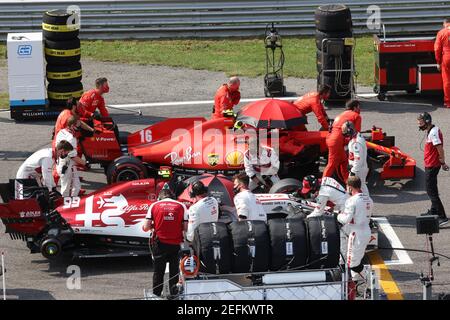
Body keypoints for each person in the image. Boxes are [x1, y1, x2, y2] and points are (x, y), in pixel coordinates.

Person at [143, 189, 188, 297]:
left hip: (159, 244)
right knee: (174, 272)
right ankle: (173, 294)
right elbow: (185, 228)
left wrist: (155, 226)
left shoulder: (154, 205)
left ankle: (156, 295)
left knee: (158, 272)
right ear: (172, 197)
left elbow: (145, 227)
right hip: (176, 244)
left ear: (160, 197)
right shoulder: (181, 206)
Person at [337, 176, 373, 281]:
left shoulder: (352, 200)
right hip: (366, 231)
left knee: (352, 263)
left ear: (350, 187)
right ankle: (356, 284)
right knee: (357, 260)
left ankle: (372, 282)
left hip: (356, 233)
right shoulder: (368, 199)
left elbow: (346, 219)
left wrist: (337, 216)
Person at [418, 112, 449, 226]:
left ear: (426, 122)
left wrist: (443, 162)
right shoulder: (431, 130)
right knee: (432, 189)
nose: (419, 125)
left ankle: (442, 217)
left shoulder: (434, 133)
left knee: (431, 191)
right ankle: (434, 210)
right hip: (430, 164)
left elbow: (440, 148)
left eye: (420, 122)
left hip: (432, 165)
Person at [323, 100, 362, 183]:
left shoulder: (342, 114)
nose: (360, 109)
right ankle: (323, 185)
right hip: (336, 141)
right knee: (332, 164)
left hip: (331, 138)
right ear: (354, 107)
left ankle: (347, 182)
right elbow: (356, 134)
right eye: (359, 107)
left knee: (343, 161)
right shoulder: (357, 116)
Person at [55, 116, 86, 197]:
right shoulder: (71, 138)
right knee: (65, 189)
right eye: (78, 125)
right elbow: (73, 157)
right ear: (72, 125)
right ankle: (64, 206)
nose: (80, 127)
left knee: (76, 186)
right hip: (66, 165)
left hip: (63, 163)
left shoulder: (61, 132)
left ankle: (73, 203)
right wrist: (85, 163)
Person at [345, 121, 369, 195]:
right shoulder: (357, 136)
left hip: (358, 170)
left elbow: (358, 160)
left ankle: (364, 202)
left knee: (357, 188)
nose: (345, 134)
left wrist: (353, 172)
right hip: (359, 168)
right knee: (360, 187)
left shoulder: (356, 143)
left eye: (346, 132)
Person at [434, 18, 450, 108]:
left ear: (444, 23)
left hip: (447, 57)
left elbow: (437, 49)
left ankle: (448, 102)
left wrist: (438, 61)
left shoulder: (442, 32)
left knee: (447, 80)